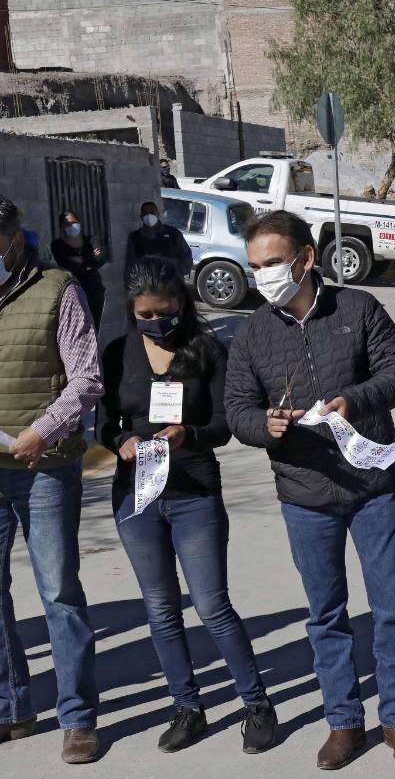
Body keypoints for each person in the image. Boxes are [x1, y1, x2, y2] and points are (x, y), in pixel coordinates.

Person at [224, 210, 395, 770]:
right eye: (255, 265)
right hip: (304, 494)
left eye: (271, 263)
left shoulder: (358, 309)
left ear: (306, 259)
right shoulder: (252, 332)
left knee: (391, 607)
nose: (263, 275)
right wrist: (264, 425)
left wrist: (353, 401)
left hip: (372, 486)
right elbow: (236, 408)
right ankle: (343, 721)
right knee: (326, 613)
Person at [96, 257, 277, 755]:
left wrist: (188, 433)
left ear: (181, 302)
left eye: (166, 311)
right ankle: (187, 707)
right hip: (137, 496)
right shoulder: (118, 353)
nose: (156, 322)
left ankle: (257, 704)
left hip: (194, 494)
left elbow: (225, 423)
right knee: (160, 608)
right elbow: (104, 422)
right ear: (132, 313)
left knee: (212, 604)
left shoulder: (208, 350)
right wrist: (120, 442)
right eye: (145, 315)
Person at [0, 195, 103, 764]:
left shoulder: (58, 290)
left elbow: (86, 378)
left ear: (14, 241)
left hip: (44, 466)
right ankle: (11, 706)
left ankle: (78, 718)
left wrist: (43, 430)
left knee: (59, 593)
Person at [50, 210, 107, 326]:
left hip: (94, 289)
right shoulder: (57, 245)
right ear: (62, 227)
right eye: (68, 224)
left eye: (74, 222)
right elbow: (65, 264)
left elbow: (100, 260)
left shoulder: (91, 241)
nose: (72, 226)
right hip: (73, 289)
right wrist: (88, 261)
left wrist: (81, 261)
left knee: (95, 325)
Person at [127, 201, 192, 277]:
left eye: (152, 213)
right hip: (148, 285)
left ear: (158, 214)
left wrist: (175, 273)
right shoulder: (135, 237)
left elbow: (186, 257)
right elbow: (131, 264)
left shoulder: (174, 234)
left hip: (172, 284)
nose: (149, 216)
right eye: (145, 213)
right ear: (141, 217)